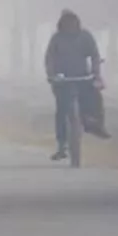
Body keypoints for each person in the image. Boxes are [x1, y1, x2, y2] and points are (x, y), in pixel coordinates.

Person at [44, 9, 110, 160]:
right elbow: (50, 59)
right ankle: (62, 145)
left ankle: (96, 125)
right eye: (67, 24)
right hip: (62, 81)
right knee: (62, 111)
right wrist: (51, 75)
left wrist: (96, 74)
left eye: (72, 24)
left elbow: (94, 55)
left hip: (83, 78)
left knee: (95, 99)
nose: (70, 27)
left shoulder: (85, 37)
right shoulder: (57, 39)